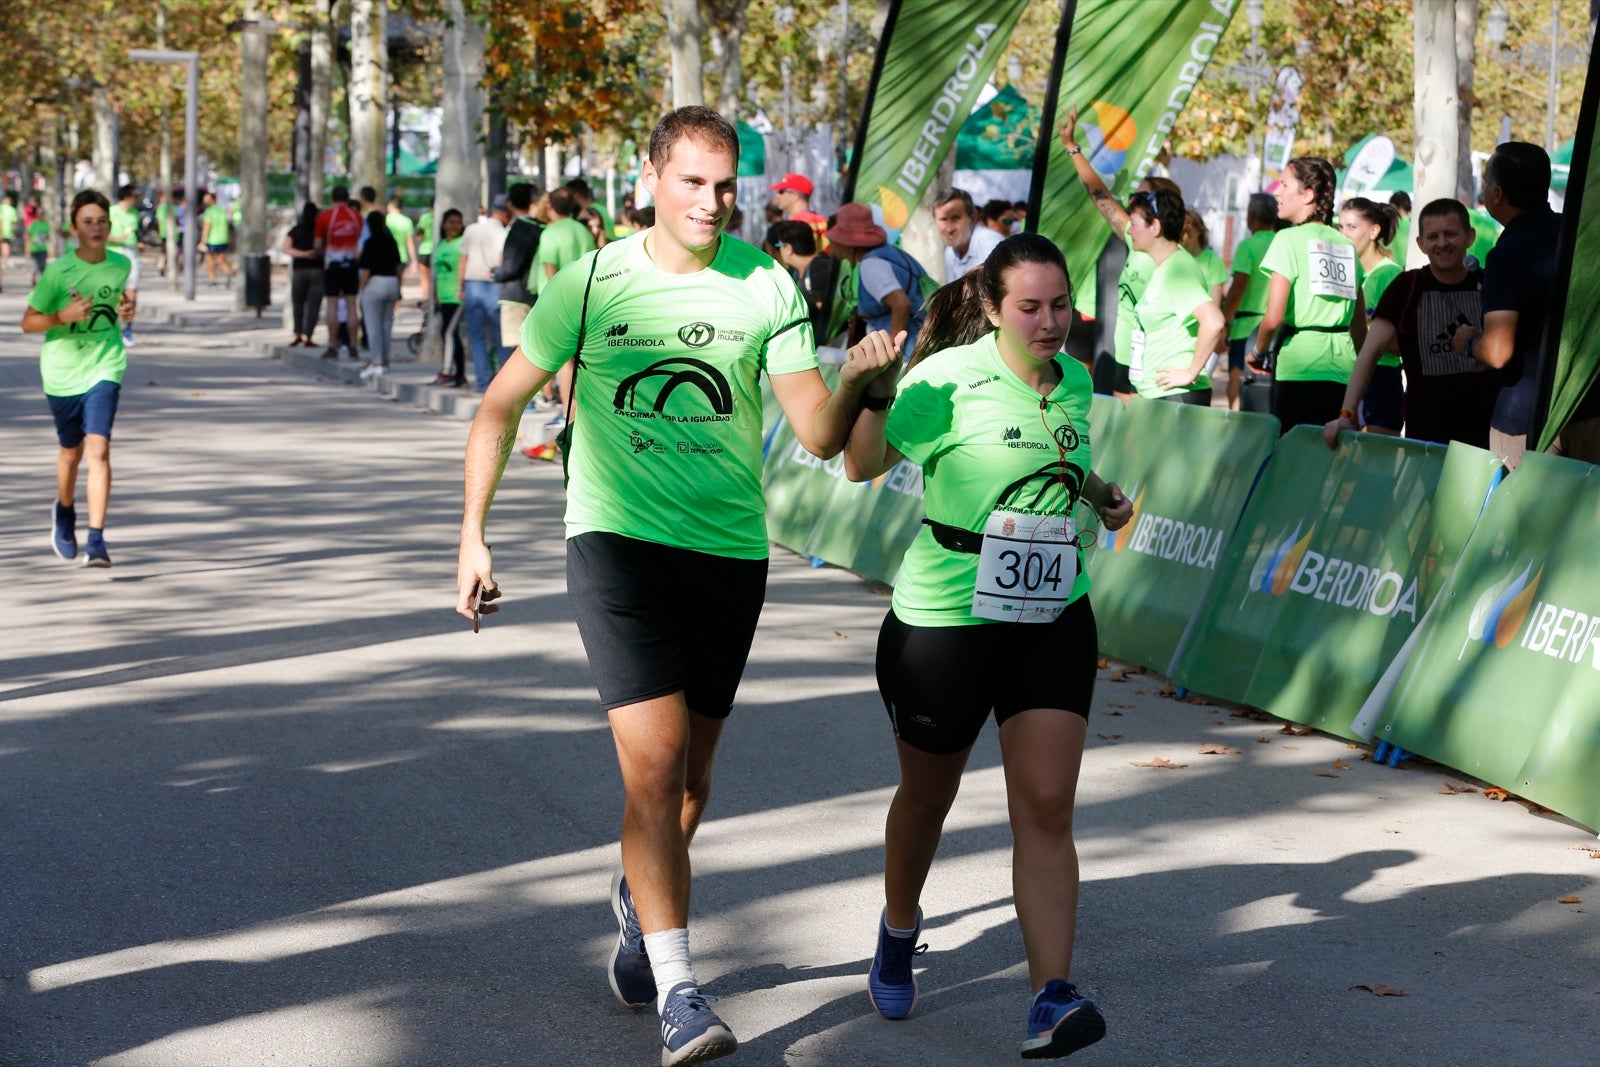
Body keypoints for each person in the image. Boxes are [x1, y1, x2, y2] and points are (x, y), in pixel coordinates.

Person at [454, 105, 900, 1067]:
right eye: (693, 181)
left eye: (725, 184)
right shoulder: (594, 278)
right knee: (653, 769)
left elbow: (820, 438)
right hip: (617, 542)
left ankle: (637, 897)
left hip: (730, 554)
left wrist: (861, 379)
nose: (712, 200)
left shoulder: (769, 287)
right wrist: (473, 539)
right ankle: (682, 993)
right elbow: (497, 408)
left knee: (692, 782)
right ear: (652, 177)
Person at [840, 233, 1132, 1061]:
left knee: (1044, 807)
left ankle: (1050, 996)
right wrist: (867, 389)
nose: (1049, 323)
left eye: (1060, 306)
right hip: (946, 619)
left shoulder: (1074, 380)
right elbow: (863, 464)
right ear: (995, 309)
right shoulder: (945, 378)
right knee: (927, 798)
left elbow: (1062, 465)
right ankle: (900, 926)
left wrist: (1105, 495)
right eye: (1030, 308)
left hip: (1052, 614)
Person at [1324, 198, 1497, 450]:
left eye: (1450, 234)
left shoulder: (1489, 286)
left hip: (1485, 436)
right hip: (1425, 438)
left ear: (1469, 237)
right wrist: (1346, 415)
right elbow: (1369, 354)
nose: (1442, 243)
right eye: (1433, 236)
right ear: (1421, 243)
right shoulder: (1406, 288)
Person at [22, 189, 136, 568]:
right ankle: (65, 511)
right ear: (75, 229)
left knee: (99, 449)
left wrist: (128, 309)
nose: (97, 227)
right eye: (88, 222)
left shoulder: (120, 265)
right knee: (70, 453)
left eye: (102, 221)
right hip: (62, 372)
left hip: (106, 364)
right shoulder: (58, 272)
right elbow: (28, 322)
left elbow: (122, 306)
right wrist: (60, 317)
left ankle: (97, 540)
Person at [1056, 109, 1183, 401]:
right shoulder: (1134, 238)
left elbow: (1205, 320)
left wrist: (1188, 371)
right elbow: (1100, 196)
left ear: (1157, 220)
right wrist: (1071, 147)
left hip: (1151, 373)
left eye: (1138, 205)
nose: (1129, 209)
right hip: (1122, 362)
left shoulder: (1177, 263)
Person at [1452, 141, 1563, 469]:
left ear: (1497, 194)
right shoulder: (1575, 236)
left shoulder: (1507, 253)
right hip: (1583, 406)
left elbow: (1498, 351)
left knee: (1525, 519)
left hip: (1526, 417)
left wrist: (1469, 342)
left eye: (1485, 182)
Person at [1249, 156, 1367, 431]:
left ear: (1308, 195)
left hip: (1298, 369)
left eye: (1284, 184)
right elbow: (1359, 328)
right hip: (1344, 373)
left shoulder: (1287, 239)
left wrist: (1257, 352)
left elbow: (1273, 318)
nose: (1276, 191)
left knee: (1294, 461)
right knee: (1331, 465)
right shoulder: (1346, 246)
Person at [1125, 191, 1224, 404]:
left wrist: (1190, 372)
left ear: (1155, 227)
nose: (1129, 230)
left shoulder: (1177, 269)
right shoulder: (1167, 266)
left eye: (1133, 223)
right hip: (1160, 393)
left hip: (1176, 396)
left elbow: (1214, 321)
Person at [828, 203, 930, 359]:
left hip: (910, 352)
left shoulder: (871, 266)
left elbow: (901, 304)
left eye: (834, 240)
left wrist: (893, 348)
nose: (831, 246)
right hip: (922, 341)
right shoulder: (889, 253)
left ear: (846, 243)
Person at [1338, 197, 1403, 434]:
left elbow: (1400, 344)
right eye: (1340, 227)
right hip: (1350, 376)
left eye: (1352, 227)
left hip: (1381, 378)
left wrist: (1368, 330)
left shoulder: (1389, 275)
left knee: (1375, 464)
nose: (1343, 234)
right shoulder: (1347, 272)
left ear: (1374, 231)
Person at [1220, 194, 1278, 410]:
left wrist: (1225, 321)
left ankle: (1236, 428)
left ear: (1251, 217)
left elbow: (1239, 286)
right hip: (1275, 326)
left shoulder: (1248, 246)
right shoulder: (1282, 242)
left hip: (1246, 327)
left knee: (1237, 381)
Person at [490, 182, 545, 383]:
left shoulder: (520, 227)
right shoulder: (541, 227)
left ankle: (521, 397)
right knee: (535, 348)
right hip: (536, 293)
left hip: (514, 295)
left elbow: (511, 266)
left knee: (517, 351)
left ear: (510, 203)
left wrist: (496, 273)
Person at [458, 197, 509, 392]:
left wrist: (459, 286)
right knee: (501, 337)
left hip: (472, 286)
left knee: (477, 337)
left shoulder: (472, 229)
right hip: (494, 286)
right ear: (504, 213)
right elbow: (502, 261)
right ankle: (504, 386)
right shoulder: (503, 233)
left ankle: (482, 383)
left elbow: (463, 259)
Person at [767, 219, 840, 345]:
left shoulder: (817, 268)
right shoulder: (803, 271)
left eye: (779, 246)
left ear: (788, 248)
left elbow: (830, 317)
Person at [315, 185, 365, 360]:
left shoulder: (324, 217)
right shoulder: (357, 217)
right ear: (347, 198)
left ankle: (332, 345)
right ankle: (352, 346)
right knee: (352, 305)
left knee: (332, 305)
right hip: (351, 265)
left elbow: (318, 244)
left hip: (333, 265)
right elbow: (361, 242)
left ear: (332, 198)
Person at [358, 210, 402, 379]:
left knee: (373, 326)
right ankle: (385, 362)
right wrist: (399, 288)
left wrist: (361, 290)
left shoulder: (369, 242)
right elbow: (399, 267)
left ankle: (376, 362)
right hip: (392, 282)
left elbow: (366, 270)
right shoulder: (391, 241)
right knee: (386, 325)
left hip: (375, 283)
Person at [430, 208, 467, 387]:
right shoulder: (442, 244)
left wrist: (462, 288)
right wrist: (435, 295)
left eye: (458, 222)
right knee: (448, 333)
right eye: (451, 223)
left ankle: (450, 372)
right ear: (444, 225)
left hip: (457, 295)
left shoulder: (462, 243)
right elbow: (437, 272)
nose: (455, 226)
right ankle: (456, 373)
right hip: (443, 297)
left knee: (450, 332)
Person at [935, 187, 1004, 281]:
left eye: (955, 218)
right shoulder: (950, 252)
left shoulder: (993, 245)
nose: (949, 228)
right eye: (943, 219)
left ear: (972, 219)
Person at [283, 200, 325, 347]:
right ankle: (309, 336)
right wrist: (310, 253)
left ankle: (298, 333)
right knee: (314, 304)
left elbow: (286, 248)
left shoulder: (296, 230)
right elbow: (322, 247)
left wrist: (301, 254)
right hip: (317, 270)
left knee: (298, 303)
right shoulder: (320, 231)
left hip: (300, 270)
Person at [107, 185, 142, 347]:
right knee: (116, 294)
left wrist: (139, 243)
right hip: (114, 254)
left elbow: (135, 233)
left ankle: (127, 329)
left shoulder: (135, 214)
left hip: (132, 254)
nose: (136, 200)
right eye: (134, 196)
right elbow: (101, 234)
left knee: (132, 294)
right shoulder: (111, 212)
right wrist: (117, 239)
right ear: (126, 197)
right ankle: (111, 326)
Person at [771, 171, 829, 251]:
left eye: (781, 191)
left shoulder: (796, 224)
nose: (777, 196)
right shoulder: (821, 219)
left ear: (795, 196)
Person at [199, 190, 235, 287]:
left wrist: (202, 241)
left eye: (207, 200)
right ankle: (228, 272)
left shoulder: (209, 212)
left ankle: (213, 280)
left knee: (209, 260)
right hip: (223, 239)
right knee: (221, 260)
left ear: (212, 200)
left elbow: (207, 227)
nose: (204, 202)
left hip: (212, 240)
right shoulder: (222, 210)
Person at [385, 194, 418, 286]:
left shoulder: (385, 220)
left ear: (390, 206)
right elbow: (410, 242)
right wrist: (414, 260)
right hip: (401, 256)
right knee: (398, 283)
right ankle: (397, 299)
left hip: (386, 256)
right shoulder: (407, 221)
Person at [0, 190, 19, 293]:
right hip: (6, 235)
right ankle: (4, 262)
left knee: (4, 253)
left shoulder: (3, 208)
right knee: (5, 252)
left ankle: (4, 263)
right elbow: (14, 222)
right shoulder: (11, 209)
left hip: (4, 235)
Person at [415, 205, 435, 302]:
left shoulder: (425, 218)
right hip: (438, 250)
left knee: (425, 279)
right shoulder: (443, 217)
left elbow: (419, 235)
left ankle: (427, 301)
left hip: (425, 250)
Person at [1388, 191, 1412, 266]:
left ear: (1393, 205)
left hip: (1390, 270)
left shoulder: (1387, 224)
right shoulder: (1415, 224)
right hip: (1411, 271)